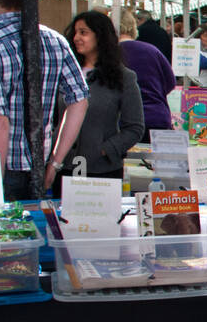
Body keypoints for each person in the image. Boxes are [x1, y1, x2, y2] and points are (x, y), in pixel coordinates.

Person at [0, 0, 89, 199]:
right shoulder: (55, 40)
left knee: (2, 234)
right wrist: (54, 162)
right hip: (39, 166)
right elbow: (80, 100)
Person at [58, 10, 144, 195]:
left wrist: (104, 150)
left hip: (102, 174)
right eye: (75, 32)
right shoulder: (64, 73)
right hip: (63, 169)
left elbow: (135, 128)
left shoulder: (123, 78)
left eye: (84, 32)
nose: (76, 38)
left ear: (100, 36)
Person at [119, 9, 175, 131]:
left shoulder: (109, 54)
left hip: (125, 122)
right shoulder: (152, 50)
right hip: (157, 117)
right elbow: (171, 82)